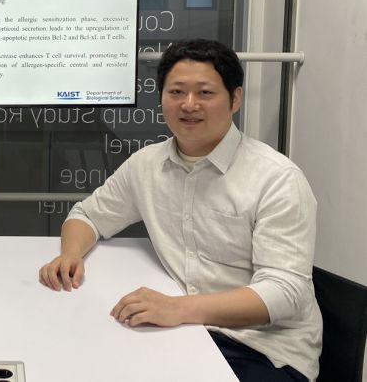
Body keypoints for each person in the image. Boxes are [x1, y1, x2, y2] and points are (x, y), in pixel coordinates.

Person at [39, 39, 321, 382]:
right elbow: (88, 216)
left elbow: (284, 293)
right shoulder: (147, 165)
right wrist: (70, 254)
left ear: (235, 99)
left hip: (262, 350)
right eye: (176, 92)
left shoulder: (277, 178)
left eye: (205, 93)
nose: (189, 104)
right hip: (185, 334)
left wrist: (176, 308)